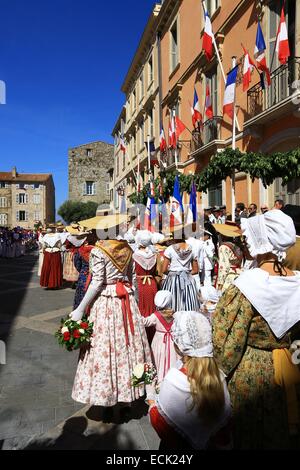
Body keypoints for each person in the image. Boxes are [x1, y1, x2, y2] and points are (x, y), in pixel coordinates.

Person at [213, 209, 300, 449]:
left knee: (253, 437)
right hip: (293, 364)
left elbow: (229, 342)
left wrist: (217, 374)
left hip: (255, 371)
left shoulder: (246, 286)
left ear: (261, 240)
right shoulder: (298, 281)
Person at [69, 216, 152, 408]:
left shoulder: (99, 251)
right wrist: (136, 304)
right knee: (129, 346)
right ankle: (129, 392)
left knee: (105, 347)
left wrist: (81, 308)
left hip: (107, 301)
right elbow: (133, 280)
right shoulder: (127, 249)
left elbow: (97, 282)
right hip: (126, 300)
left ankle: (107, 394)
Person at [149, 310, 232, 450]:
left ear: (178, 346)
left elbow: (161, 426)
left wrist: (151, 397)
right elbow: (223, 431)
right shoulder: (219, 377)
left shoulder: (173, 380)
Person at [143, 290, 178, 385]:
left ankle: (159, 379)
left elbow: (145, 322)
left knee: (158, 359)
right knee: (172, 358)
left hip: (159, 342)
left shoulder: (156, 316)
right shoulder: (175, 314)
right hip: (172, 342)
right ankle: (171, 378)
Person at [161, 230, 200, 312]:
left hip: (173, 280)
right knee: (188, 303)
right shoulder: (193, 249)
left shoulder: (170, 249)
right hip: (188, 279)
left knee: (173, 302)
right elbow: (196, 270)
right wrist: (185, 273)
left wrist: (173, 273)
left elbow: (164, 269)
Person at [133, 230, 158, 319]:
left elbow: (132, 272)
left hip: (140, 284)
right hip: (152, 283)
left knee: (141, 306)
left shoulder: (135, 256)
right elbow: (155, 271)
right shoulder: (153, 255)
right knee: (152, 305)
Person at [213, 223, 243, 293]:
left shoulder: (224, 247)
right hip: (239, 275)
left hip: (229, 277)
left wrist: (220, 285)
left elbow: (223, 267)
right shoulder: (237, 245)